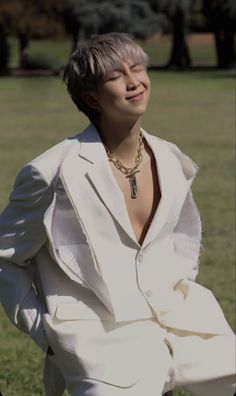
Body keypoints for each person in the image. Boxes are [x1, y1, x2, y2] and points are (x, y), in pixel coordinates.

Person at [0, 33, 235, 396]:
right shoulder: (50, 172)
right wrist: (45, 335)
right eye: (115, 76)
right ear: (91, 97)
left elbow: (182, 237)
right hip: (101, 340)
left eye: (137, 67)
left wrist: (176, 283)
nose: (133, 81)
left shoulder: (171, 158)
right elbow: (6, 258)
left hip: (182, 321)